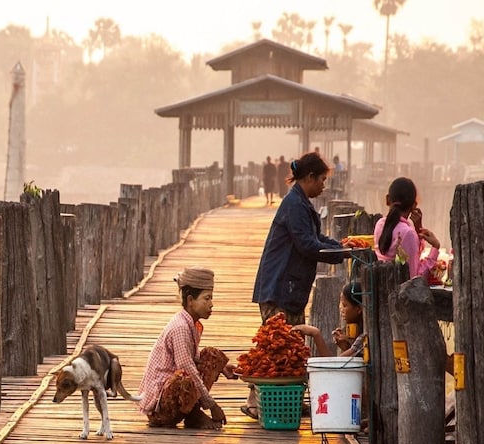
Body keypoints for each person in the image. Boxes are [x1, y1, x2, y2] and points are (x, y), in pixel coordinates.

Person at [242, 152, 345, 419]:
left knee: (292, 347)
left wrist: (342, 246)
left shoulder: (301, 203)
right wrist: (340, 254)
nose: (324, 185)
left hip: (290, 286)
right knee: (273, 347)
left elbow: (316, 237)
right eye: (321, 179)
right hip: (279, 286)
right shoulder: (294, 205)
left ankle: (288, 399)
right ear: (309, 178)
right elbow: (307, 245)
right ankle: (256, 400)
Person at [137, 266, 236, 429]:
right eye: (207, 299)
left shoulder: (191, 324)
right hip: (161, 409)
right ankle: (194, 415)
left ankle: (193, 414)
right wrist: (212, 405)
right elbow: (187, 367)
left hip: (174, 396)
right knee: (185, 378)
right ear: (190, 300)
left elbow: (195, 359)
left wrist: (222, 368)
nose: (211, 304)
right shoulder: (180, 327)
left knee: (212, 355)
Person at [373, 177, 441, 280]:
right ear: (414, 205)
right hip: (400, 293)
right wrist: (435, 247)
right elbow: (415, 278)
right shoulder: (407, 233)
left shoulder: (379, 224)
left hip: (381, 287)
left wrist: (418, 229)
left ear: (387, 200)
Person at [292, 281, 365, 358]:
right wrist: (348, 346)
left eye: (344, 305)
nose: (341, 309)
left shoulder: (363, 337)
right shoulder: (359, 335)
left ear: (358, 309)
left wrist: (315, 333)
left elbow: (334, 366)